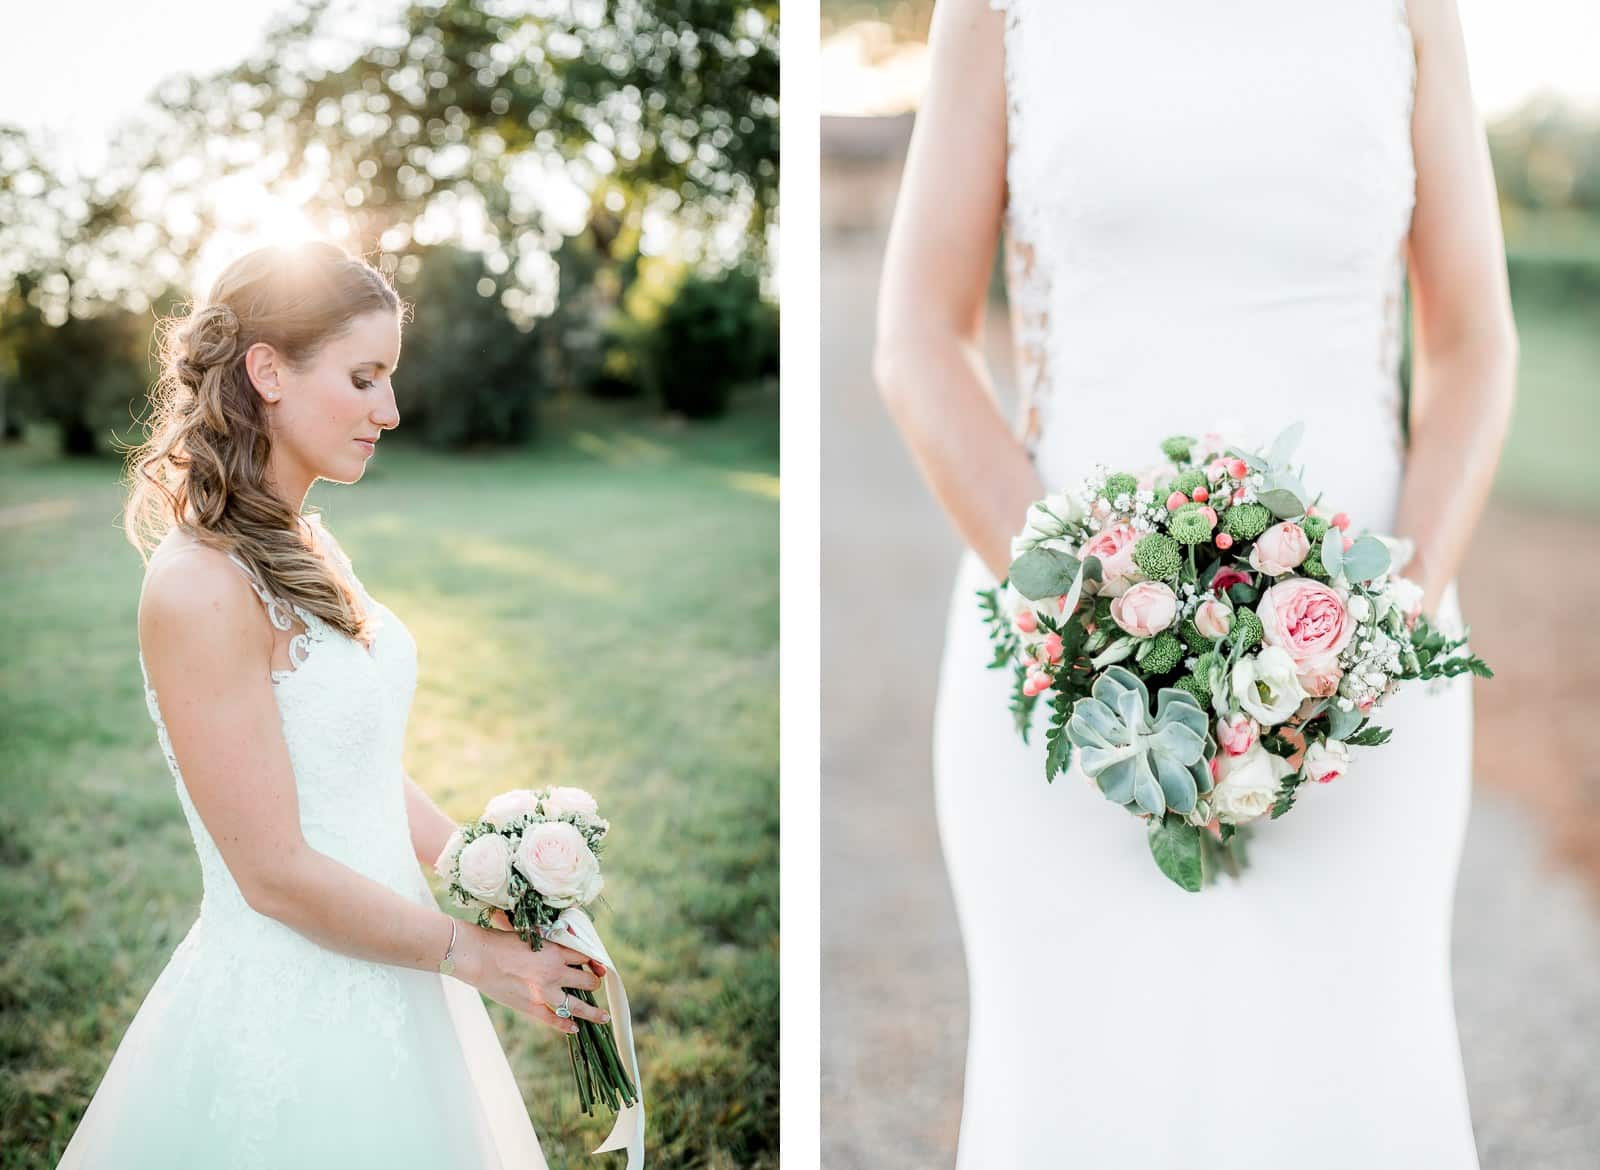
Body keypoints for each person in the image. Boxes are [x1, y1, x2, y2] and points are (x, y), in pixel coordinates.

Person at [873, 0, 1516, 1165]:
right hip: (1068, 680)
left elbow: (1473, 342)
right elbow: (916, 333)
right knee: (1087, 1088)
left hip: (1366, 689)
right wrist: (1092, 627)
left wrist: (1379, 637)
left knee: (1354, 1085)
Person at [57, 240, 605, 1169]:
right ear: (268, 371)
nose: (389, 411)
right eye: (364, 378)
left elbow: (348, 760)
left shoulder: (305, 543)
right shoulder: (197, 586)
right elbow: (271, 872)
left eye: (389, 379)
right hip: (291, 996)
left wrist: (487, 872)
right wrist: (470, 954)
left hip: (396, 955)